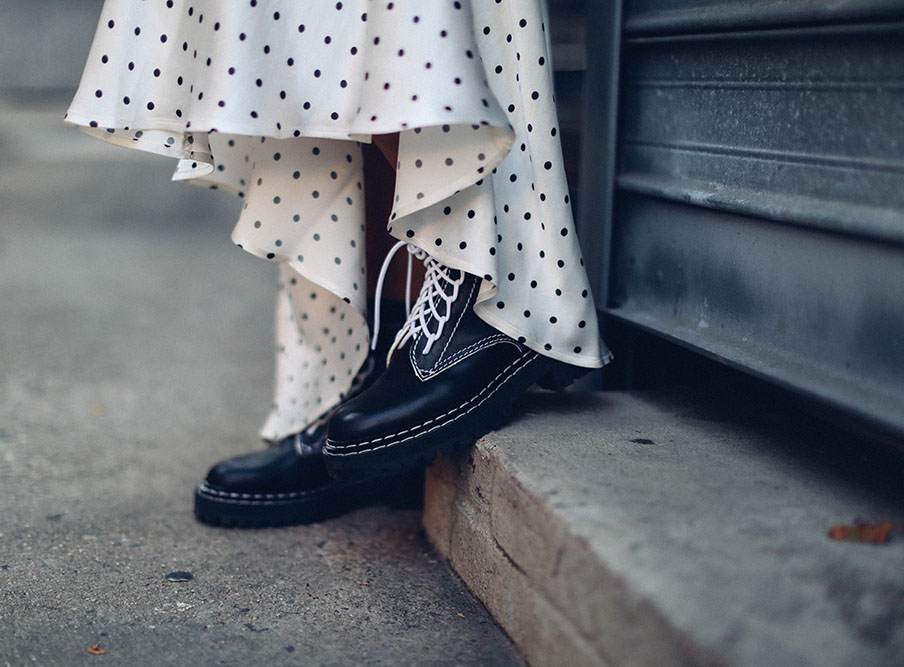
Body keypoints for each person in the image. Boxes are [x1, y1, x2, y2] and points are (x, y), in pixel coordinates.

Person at [65, 0, 611, 527]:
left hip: (495, 281)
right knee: (322, 49)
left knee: (400, 26)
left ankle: (481, 295)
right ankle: (389, 335)